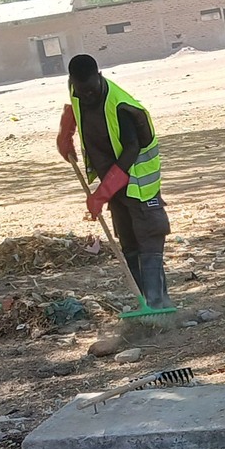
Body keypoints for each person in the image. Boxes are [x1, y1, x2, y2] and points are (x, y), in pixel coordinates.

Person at [56, 55, 171, 309]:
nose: (86, 96)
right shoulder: (76, 88)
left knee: (149, 239)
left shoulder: (120, 107)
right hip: (114, 182)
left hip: (138, 183)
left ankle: (159, 306)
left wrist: (101, 194)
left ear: (99, 76)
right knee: (128, 242)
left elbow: (131, 152)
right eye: (80, 89)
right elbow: (74, 107)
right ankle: (144, 303)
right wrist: (65, 133)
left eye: (90, 90)